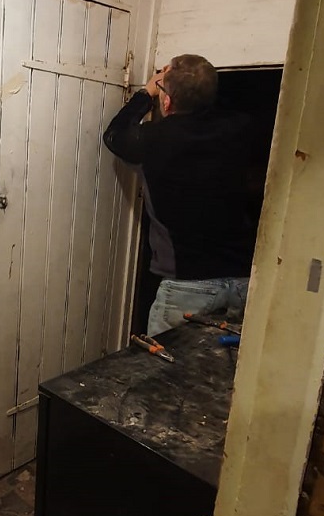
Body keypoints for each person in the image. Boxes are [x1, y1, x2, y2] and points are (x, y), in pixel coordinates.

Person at [103, 54, 255, 337]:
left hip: (188, 285)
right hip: (244, 281)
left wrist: (146, 92)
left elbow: (115, 135)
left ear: (168, 101)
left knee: (163, 376)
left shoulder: (153, 139)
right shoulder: (240, 128)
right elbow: (209, 109)